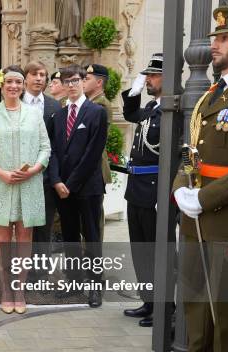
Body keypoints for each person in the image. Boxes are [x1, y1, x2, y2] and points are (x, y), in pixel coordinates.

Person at [158, 7, 228, 352]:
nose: (214, 44)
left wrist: (204, 198)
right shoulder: (215, 93)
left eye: (224, 38)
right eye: (215, 37)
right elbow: (190, 152)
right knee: (195, 299)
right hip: (196, 218)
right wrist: (182, 190)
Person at [0, 65, 51, 314]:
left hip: (28, 184)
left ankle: (20, 290)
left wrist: (33, 170)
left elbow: (45, 148)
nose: (13, 86)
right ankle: (6, 290)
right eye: (9, 81)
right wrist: (1, 172)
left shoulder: (33, 114)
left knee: (24, 238)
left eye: (18, 82)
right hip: (0, 184)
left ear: (23, 85)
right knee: (3, 240)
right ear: (1, 84)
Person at [47, 64, 108, 308]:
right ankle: (74, 282)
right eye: (66, 81)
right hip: (62, 188)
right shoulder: (58, 116)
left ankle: (95, 286)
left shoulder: (96, 113)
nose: (70, 85)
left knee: (91, 237)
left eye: (75, 80)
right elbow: (51, 151)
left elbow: (93, 153)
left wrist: (70, 183)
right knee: (70, 237)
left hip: (87, 187)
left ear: (83, 81)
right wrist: (56, 181)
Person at [120, 54, 163, 328]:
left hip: (154, 191)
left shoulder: (174, 109)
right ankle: (148, 302)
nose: (147, 79)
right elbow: (130, 115)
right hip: (136, 190)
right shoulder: (150, 106)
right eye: (146, 75)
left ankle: (162, 308)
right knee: (140, 251)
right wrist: (133, 92)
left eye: (153, 75)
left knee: (157, 252)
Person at [22, 61, 61, 258]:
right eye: (35, 74)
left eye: (43, 75)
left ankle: (41, 272)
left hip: (45, 176)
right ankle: (23, 269)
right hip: (19, 174)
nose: (39, 79)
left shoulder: (54, 105)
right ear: (25, 78)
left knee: (43, 227)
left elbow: (56, 144)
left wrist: (55, 177)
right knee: (22, 228)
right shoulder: (14, 101)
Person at [83, 64, 113, 242]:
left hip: (93, 168)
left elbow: (94, 141)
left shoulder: (101, 105)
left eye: (87, 79)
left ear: (99, 82)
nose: (83, 82)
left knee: (93, 220)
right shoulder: (89, 104)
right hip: (87, 168)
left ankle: (93, 263)